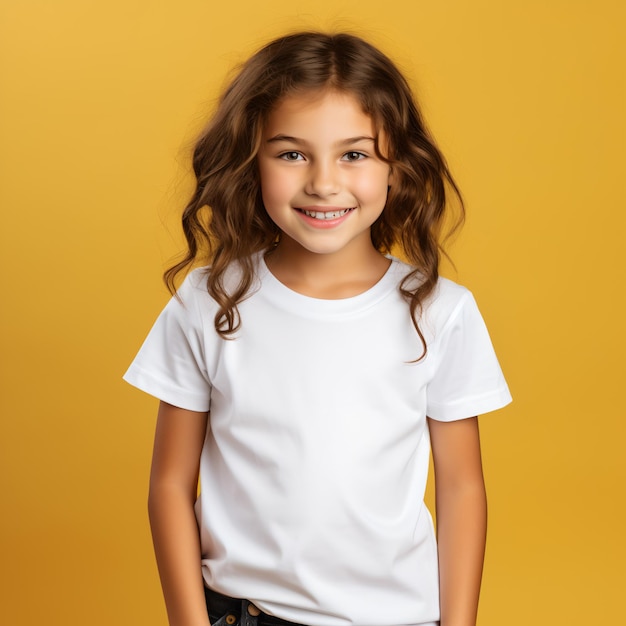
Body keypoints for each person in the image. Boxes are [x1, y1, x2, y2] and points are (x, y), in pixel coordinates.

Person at [124, 31, 511, 626]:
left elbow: (462, 488)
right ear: (250, 162)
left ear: (396, 168)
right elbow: (170, 486)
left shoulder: (440, 310)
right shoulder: (208, 302)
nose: (323, 182)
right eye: (291, 153)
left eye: (354, 154)